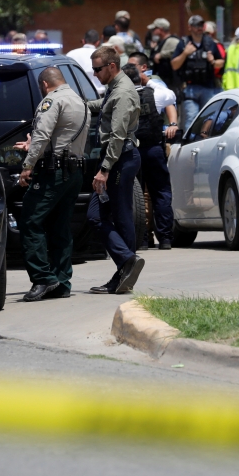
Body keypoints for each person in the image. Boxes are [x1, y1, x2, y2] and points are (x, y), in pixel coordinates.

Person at [13, 67, 89, 301]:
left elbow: (43, 134)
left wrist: (27, 166)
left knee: (29, 220)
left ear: (45, 84)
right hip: (74, 172)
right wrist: (36, 147)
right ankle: (62, 281)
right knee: (60, 227)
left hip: (52, 172)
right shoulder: (80, 101)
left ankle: (43, 279)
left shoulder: (51, 101)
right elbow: (61, 137)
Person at [85, 45, 144, 295]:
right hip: (119, 158)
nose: (95, 73)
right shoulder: (115, 89)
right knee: (117, 217)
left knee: (100, 216)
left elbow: (118, 135)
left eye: (98, 69)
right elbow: (104, 105)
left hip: (119, 158)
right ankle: (125, 270)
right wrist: (82, 105)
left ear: (111, 66)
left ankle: (126, 263)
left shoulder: (123, 93)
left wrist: (105, 169)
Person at [122, 64, 174, 250]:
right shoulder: (156, 94)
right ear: (140, 77)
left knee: (135, 196)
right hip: (153, 149)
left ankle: (142, 239)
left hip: (131, 152)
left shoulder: (121, 97)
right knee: (161, 193)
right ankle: (165, 238)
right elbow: (171, 96)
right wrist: (149, 81)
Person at [171, 14, 223, 129]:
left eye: (201, 25)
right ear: (190, 27)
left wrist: (213, 61)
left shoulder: (210, 43)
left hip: (208, 88)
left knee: (208, 120)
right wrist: (185, 53)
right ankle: (189, 144)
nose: (199, 28)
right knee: (191, 119)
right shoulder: (184, 43)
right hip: (190, 89)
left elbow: (221, 62)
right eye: (196, 25)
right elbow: (174, 65)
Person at [149, 18, 182, 94]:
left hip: (172, 82)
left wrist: (162, 55)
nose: (152, 32)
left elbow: (179, 50)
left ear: (160, 29)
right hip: (162, 81)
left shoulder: (172, 40)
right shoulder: (160, 42)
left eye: (154, 29)